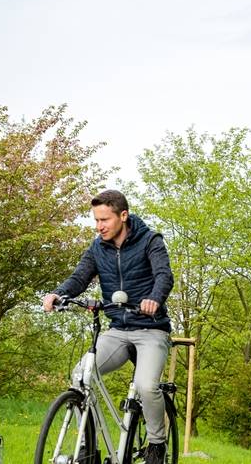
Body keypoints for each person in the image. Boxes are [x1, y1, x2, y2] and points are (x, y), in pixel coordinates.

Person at [42, 189, 174, 464]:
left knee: (147, 385)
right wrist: (58, 294)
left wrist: (154, 299)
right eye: (96, 220)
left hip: (151, 329)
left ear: (123, 216)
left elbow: (164, 276)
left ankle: (156, 443)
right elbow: (79, 277)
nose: (99, 226)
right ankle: (87, 442)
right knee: (81, 375)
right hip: (117, 330)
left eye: (104, 219)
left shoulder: (151, 241)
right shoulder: (97, 248)